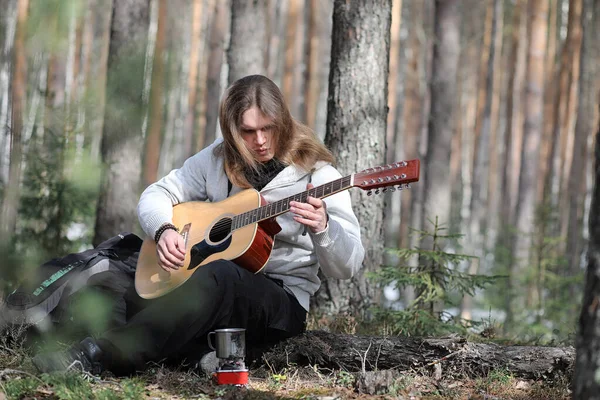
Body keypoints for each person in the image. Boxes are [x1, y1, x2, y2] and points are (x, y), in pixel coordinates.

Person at [33, 74, 365, 376]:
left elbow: (348, 266)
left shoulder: (318, 174)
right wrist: (163, 230)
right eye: (248, 132)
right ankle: (196, 355)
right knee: (121, 285)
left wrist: (325, 229)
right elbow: (157, 193)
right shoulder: (218, 159)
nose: (261, 141)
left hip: (279, 302)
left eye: (269, 128)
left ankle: (98, 355)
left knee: (218, 274)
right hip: (207, 287)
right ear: (233, 131)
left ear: (284, 123)